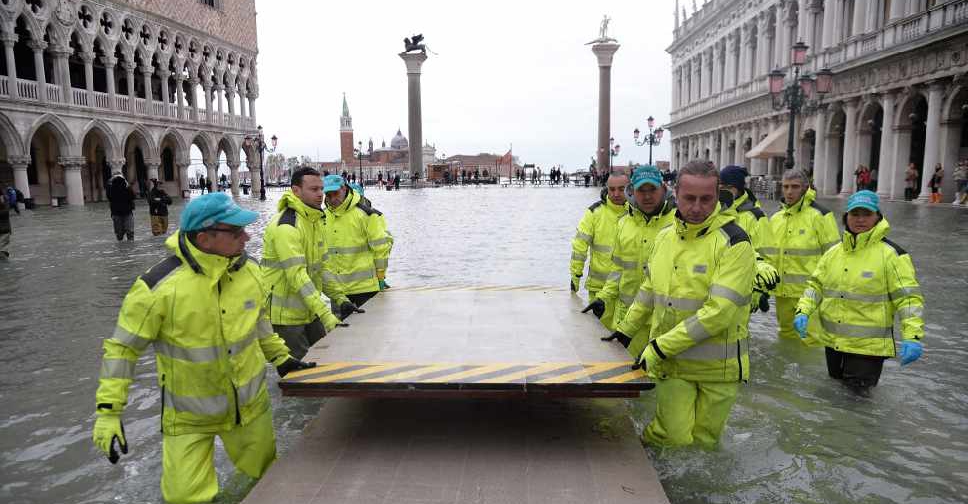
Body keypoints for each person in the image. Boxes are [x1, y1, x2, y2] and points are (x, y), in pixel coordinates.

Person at [91, 192, 316, 503]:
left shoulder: (250, 271)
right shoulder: (156, 288)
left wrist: (281, 359)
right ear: (204, 238)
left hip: (250, 410)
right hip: (188, 419)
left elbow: (260, 325)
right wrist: (109, 412)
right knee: (184, 499)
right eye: (236, 231)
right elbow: (122, 350)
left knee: (265, 484)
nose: (247, 236)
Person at [605, 160, 755, 448]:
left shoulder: (736, 243)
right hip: (673, 364)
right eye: (689, 198)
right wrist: (626, 330)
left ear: (718, 196)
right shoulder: (665, 238)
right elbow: (650, 289)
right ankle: (641, 459)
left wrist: (660, 347)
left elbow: (718, 314)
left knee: (704, 443)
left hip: (719, 369)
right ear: (676, 193)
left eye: (706, 199)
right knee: (671, 436)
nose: (697, 207)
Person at [794, 190, 924, 395]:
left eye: (866, 214)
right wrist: (802, 311)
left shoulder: (892, 255)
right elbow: (815, 286)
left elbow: (908, 299)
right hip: (834, 343)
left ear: (877, 217)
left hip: (868, 349)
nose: (860, 219)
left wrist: (912, 336)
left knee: (855, 404)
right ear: (846, 217)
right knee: (836, 395)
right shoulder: (833, 253)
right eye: (855, 214)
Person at [262, 167, 351, 359]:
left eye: (321, 189)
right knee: (300, 378)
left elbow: (322, 269)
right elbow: (297, 275)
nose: (321, 194)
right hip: (285, 316)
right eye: (314, 189)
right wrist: (325, 314)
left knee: (327, 361)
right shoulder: (287, 226)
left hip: (309, 311)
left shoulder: (315, 221)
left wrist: (340, 299)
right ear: (296, 191)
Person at [592, 165, 675, 339]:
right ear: (632, 191)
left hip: (662, 325)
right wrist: (603, 297)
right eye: (641, 190)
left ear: (663, 189)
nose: (647, 196)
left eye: (652, 189)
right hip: (625, 321)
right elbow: (618, 269)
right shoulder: (624, 223)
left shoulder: (678, 223)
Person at [763, 169, 840, 340]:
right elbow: (768, 256)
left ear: (805, 188)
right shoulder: (776, 218)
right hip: (782, 294)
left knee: (810, 340)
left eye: (795, 187)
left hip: (810, 295)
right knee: (786, 337)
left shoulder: (821, 216)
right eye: (786, 187)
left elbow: (835, 256)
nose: (789, 192)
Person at [323, 174, 393, 310]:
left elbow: (381, 248)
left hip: (365, 288)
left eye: (335, 193)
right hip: (338, 291)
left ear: (344, 189)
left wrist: (380, 276)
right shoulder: (322, 217)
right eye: (328, 195)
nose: (332, 199)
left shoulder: (366, 215)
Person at [719, 166, 778, 314]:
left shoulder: (756, 216)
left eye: (728, 187)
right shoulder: (715, 210)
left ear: (738, 189)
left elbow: (766, 256)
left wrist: (759, 289)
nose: (722, 191)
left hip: (743, 287)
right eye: (720, 186)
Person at [570, 172, 629, 305]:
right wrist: (576, 275)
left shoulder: (637, 213)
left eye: (621, 189)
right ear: (606, 188)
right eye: (612, 189)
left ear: (629, 189)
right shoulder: (594, 213)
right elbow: (580, 246)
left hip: (628, 290)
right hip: (598, 287)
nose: (616, 194)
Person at [107, 172, 136, 241]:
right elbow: (109, 196)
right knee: (120, 233)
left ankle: (129, 247)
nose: (118, 179)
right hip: (117, 213)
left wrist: (127, 185)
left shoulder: (127, 188)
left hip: (126, 212)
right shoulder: (111, 188)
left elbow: (132, 196)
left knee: (129, 232)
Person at [0, 189, 10, 259]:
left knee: (3, 245)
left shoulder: (4, 201)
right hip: (4, 229)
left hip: (4, 229)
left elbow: (5, 212)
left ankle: (3, 254)